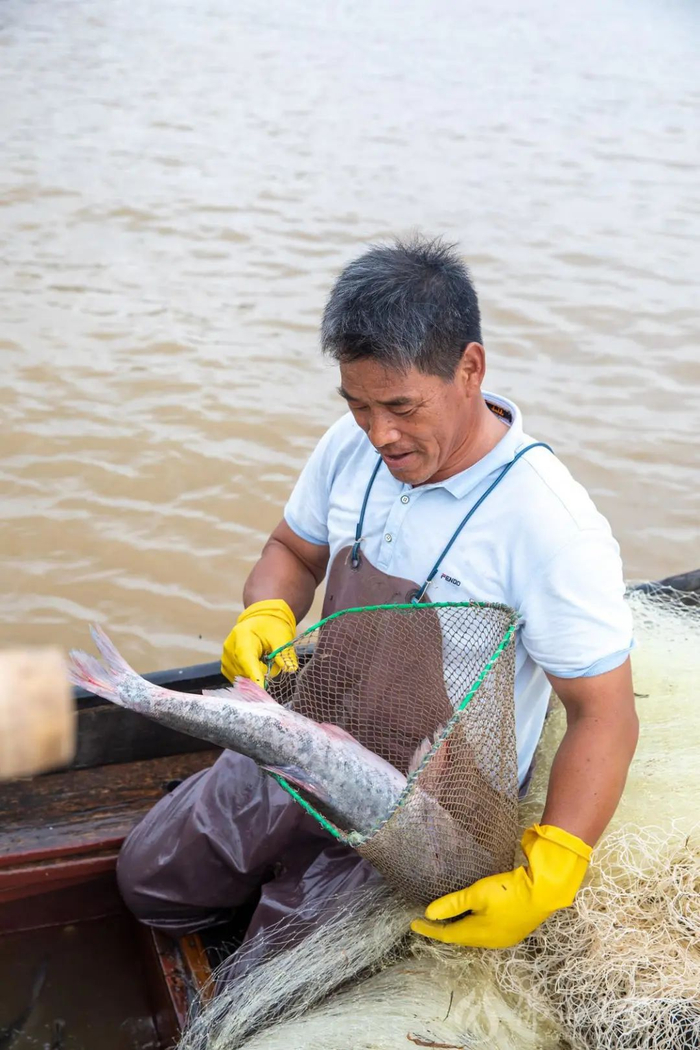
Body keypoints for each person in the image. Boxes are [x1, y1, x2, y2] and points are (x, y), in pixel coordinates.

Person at [117, 236, 638, 963]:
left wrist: (554, 864)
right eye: (359, 405)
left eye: (401, 406)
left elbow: (604, 712)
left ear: (470, 368)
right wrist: (267, 611)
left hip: (432, 799)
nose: (381, 434)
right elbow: (292, 552)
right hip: (313, 729)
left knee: (272, 971)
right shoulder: (350, 444)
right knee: (149, 885)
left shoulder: (550, 522)